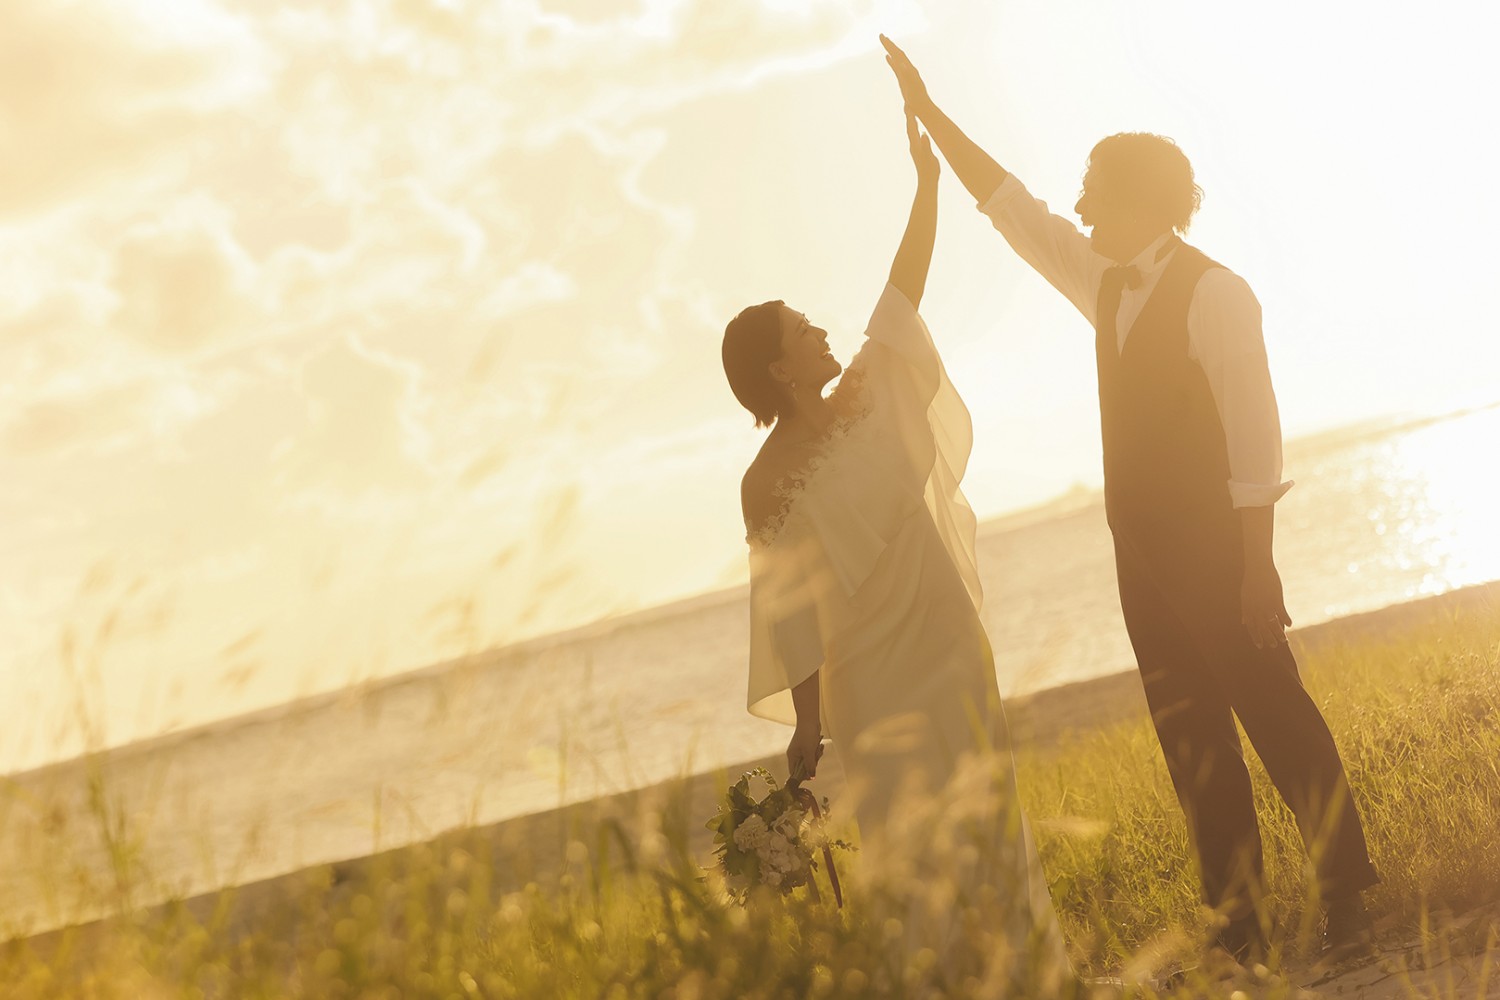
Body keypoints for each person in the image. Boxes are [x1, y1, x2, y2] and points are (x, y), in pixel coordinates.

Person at [879, 34, 1379, 965]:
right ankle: (1242, 921)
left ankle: (1348, 895)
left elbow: (1254, 435)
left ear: (1143, 199)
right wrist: (933, 112)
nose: (1076, 205)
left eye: (1093, 190)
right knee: (1193, 742)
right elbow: (1011, 208)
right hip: (1140, 561)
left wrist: (1256, 567)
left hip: (1224, 558)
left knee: (1277, 718)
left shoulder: (1217, 294)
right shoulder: (1101, 284)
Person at [723, 111, 1071, 990]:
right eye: (802, 332)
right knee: (912, 838)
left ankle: (1027, 977)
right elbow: (789, 605)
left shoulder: (872, 391)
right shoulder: (764, 484)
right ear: (778, 369)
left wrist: (926, 186)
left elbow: (903, 287)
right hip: (869, 681)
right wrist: (807, 720)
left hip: (945, 641)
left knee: (986, 808)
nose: (821, 334)